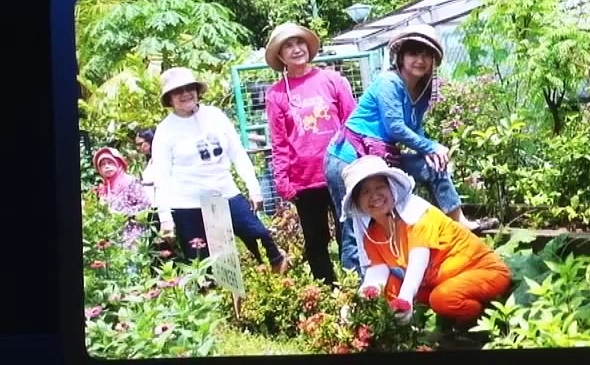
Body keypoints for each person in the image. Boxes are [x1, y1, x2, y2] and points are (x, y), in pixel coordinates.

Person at [326, 24, 497, 274]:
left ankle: (459, 223)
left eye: (426, 54)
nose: (420, 60)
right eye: (414, 53)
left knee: (432, 165)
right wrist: (431, 146)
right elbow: (395, 127)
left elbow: (414, 128)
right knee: (357, 222)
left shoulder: (422, 89)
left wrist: (432, 151)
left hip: (380, 156)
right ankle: (357, 284)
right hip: (349, 156)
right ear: (401, 57)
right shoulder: (389, 82)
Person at [339, 157, 512, 346]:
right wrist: (359, 305)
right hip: (439, 281)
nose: (375, 196)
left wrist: (405, 300)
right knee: (389, 290)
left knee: (442, 299)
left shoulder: (417, 215)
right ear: (357, 202)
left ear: (391, 188)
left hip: (483, 272)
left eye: (380, 187)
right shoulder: (372, 234)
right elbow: (376, 277)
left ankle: (478, 320)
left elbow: (417, 263)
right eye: (365, 192)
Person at [150, 66, 289, 272]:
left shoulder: (215, 115)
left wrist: (254, 187)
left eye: (189, 88)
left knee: (261, 236)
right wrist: (165, 218)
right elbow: (161, 176)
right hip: (188, 205)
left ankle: (278, 281)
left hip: (225, 193)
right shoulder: (165, 130)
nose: (186, 94)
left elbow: (237, 153)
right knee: (205, 265)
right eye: (178, 91)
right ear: (169, 99)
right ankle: (218, 300)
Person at [263, 22, 353, 286]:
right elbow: (279, 142)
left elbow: (352, 122)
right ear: (280, 56)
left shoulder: (332, 80)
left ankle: (358, 287)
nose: (295, 49)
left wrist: (360, 159)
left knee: (348, 232)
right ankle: (328, 290)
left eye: (299, 43)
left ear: (308, 47)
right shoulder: (276, 95)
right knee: (316, 240)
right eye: (287, 46)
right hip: (304, 180)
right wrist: (282, 180)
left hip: (339, 171)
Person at [91, 147, 152, 246]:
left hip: (131, 234)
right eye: (103, 164)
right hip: (113, 235)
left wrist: (124, 214)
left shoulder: (129, 182)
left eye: (110, 162)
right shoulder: (104, 188)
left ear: (118, 163)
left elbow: (145, 204)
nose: (107, 166)